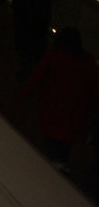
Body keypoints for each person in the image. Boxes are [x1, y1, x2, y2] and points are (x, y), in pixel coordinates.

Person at [23, 27, 97, 172]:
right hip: (76, 109)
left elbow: (38, 76)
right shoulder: (87, 61)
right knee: (66, 138)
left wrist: (27, 92)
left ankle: (54, 163)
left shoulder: (53, 56)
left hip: (52, 105)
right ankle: (62, 162)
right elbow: (93, 87)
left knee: (52, 137)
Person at [13, 0, 63, 81]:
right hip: (42, 17)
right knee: (39, 45)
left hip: (25, 19)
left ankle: (26, 72)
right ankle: (39, 73)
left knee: (25, 48)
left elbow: (17, 3)